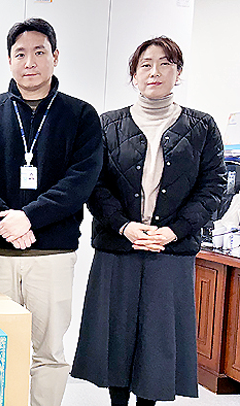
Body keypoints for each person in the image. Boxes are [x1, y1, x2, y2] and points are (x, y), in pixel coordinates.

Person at [71, 37, 226, 405]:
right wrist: (124, 226)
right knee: (116, 336)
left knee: (157, 342)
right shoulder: (107, 125)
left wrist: (174, 231)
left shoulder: (202, 126)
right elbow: (95, 184)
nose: (154, 71)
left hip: (170, 249)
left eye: (164, 63)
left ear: (178, 72)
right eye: (145, 64)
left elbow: (213, 186)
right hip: (118, 246)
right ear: (134, 75)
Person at [0, 18, 103, 406]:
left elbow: (81, 179)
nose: (30, 62)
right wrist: (7, 220)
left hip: (52, 254)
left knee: (49, 352)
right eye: (20, 54)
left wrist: (29, 217)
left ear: (55, 56)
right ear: (9, 61)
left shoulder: (81, 115)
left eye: (39, 52)